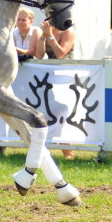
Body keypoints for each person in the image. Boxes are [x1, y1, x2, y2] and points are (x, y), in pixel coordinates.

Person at [33, 19, 75, 159]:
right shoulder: (47, 32)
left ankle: (68, 154)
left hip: (66, 79)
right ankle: (45, 153)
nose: (47, 21)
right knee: (50, 114)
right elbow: (39, 55)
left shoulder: (67, 33)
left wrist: (50, 35)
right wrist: (43, 37)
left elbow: (60, 54)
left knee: (64, 116)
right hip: (52, 80)